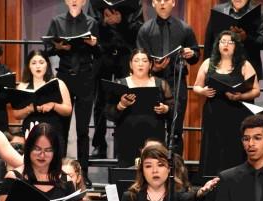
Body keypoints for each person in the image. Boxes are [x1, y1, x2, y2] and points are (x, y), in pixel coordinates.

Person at [45, 0, 101, 185]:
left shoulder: (92, 22)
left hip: (85, 77)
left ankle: (83, 174)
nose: (75, 1)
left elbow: (100, 53)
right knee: (61, 127)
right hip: (64, 78)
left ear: (84, 1)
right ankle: (59, 172)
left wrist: (94, 44)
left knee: (83, 130)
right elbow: (47, 49)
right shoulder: (57, 21)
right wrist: (58, 47)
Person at [136, 0, 200, 155]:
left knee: (175, 129)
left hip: (176, 81)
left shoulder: (184, 28)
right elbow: (139, 58)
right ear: (153, 4)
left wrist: (191, 54)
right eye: (159, 0)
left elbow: (196, 54)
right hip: (153, 83)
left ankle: (176, 170)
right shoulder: (145, 29)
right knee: (152, 126)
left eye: (166, 0)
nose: (162, 3)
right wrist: (153, 67)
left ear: (173, 3)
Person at [193, 30, 260, 176]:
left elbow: (256, 90)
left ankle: (236, 179)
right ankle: (209, 178)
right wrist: (203, 91)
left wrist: (241, 96)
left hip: (235, 112)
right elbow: (196, 86)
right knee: (213, 146)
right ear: (217, 45)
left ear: (236, 46)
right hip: (213, 111)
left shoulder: (244, 64)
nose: (226, 45)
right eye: (223, 41)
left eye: (230, 42)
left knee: (233, 147)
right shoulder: (208, 63)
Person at [89, 0, 143, 159]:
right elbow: (91, 25)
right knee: (99, 101)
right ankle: (100, 146)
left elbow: (139, 27)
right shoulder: (96, 3)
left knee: (126, 97)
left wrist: (122, 22)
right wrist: (104, 23)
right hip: (103, 54)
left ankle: (124, 142)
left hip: (125, 55)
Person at [105, 48, 174, 167]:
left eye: (144, 61)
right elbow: (108, 113)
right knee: (127, 173)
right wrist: (121, 105)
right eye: (136, 61)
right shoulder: (120, 84)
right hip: (127, 136)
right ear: (131, 64)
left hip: (153, 136)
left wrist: (165, 109)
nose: (140, 64)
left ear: (151, 64)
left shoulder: (161, 83)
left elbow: (173, 108)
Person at [11, 50, 72, 155]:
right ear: (29, 66)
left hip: (54, 129)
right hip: (32, 128)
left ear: (47, 65)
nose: (37, 66)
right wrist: (29, 109)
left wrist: (53, 105)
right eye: (34, 63)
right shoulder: (22, 86)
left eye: (41, 62)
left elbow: (68, 110)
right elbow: (16, 114)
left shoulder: (58, 83)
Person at [204, 0, 263, 81]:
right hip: (219, 68)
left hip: (246, 69)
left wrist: (246, 38)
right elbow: (209, 41)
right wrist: (207, 68)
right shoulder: (218, 10)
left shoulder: (260, 13)